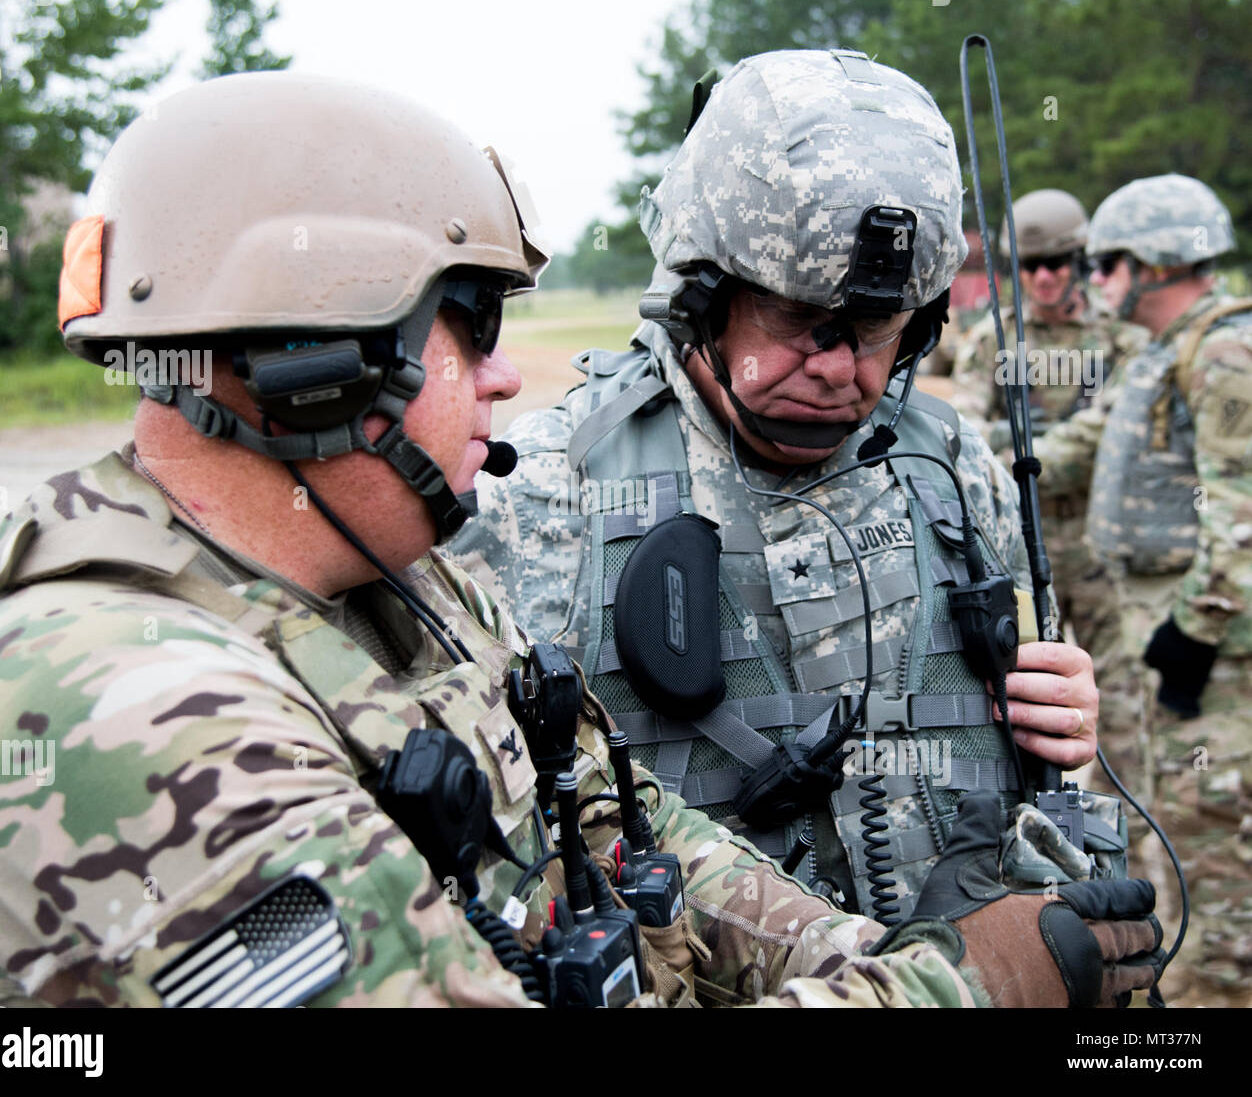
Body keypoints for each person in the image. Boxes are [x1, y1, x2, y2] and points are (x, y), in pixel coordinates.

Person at [0, 70, 1163, 1010]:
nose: (505, 377)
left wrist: (865, 951)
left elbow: (613, 829)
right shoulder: (121, 709)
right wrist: (962, 984)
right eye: (469, 328)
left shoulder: (398, 592)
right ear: (310, 362)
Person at [448, 50, 1126, 929]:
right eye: (801, 320)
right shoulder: (540, 497)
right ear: (701, 297)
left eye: (876, 327)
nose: (840, 367)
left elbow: (1042, 726)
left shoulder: (955, 473)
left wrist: (1064, 713)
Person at [1033, 173, 1252, 1007]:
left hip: (1213, 651)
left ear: (1156, 264)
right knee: (1174, 816)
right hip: (1165, 625)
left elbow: (1242, 509)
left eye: (1107, 263)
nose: (1092, 281)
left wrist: (1197, 633)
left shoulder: (1224, 351)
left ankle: (1215, 991)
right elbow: (1080, 443)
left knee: (1213, 829)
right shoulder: (1166, 350)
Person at [952, 190, 1144, 657]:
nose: (1043, 276)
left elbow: (1107, 435)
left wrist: (1016, 451)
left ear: (1078, 260)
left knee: (1123, 689)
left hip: (1103, 539)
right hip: (1022, 538)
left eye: (1056, 262)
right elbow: (963, 436)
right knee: (1035, 679)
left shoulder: (1122, 339)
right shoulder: (993, 340)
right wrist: (997, 442)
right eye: (1030, 263)